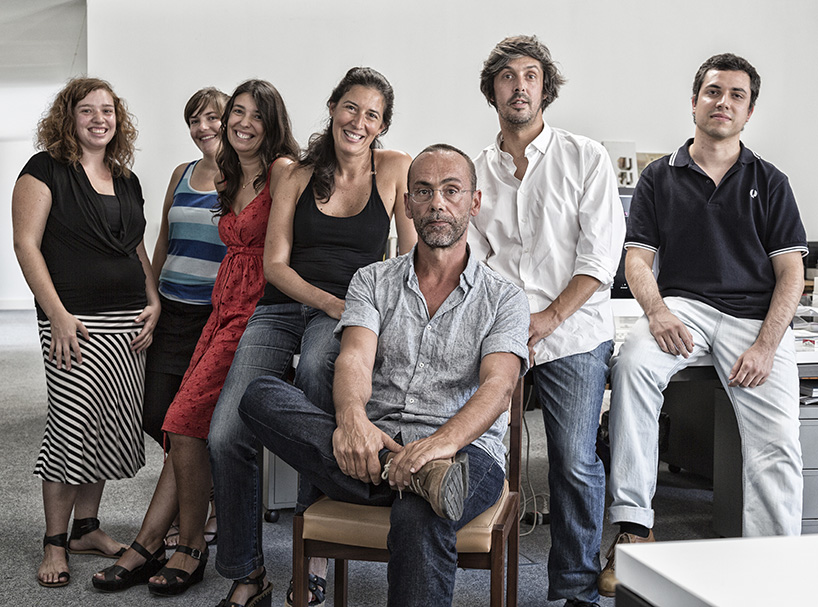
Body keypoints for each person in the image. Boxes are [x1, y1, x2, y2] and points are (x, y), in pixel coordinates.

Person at [239, 143, 530, 607]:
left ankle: (422, 477)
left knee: (421, 515)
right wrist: (352, 420)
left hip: (464, 456)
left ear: (474, 202)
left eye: (451, 190)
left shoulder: (505, 298)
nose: (437, 203)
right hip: (372, 449)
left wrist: (439, 445)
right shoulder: (372, 280)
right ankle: (410, 475)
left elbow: (499, 386)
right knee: (260, 395)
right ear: (408, 205)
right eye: (424, 191)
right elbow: (353, 358)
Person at [598, 53, 807, 597]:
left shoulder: (771, 181)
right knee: (633, 366)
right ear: (695, 102)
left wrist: (767, 345)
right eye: (714, 91)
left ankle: (772, 568)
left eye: (737, 95)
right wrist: (658, 312)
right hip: (683, 307)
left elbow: (791, 273)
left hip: (754, 317)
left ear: (749, 111)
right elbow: (637, 260)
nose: (723, 102)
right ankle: (634, 531)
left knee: (778, 444)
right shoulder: (658, 177)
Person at [208, 66, 416, 607]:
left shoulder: (395, 168)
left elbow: (410, 259)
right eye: (351, 108)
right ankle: (246, 572)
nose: (359, 121)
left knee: (317, 388)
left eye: (372, 115)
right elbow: (275, 265)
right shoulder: (294, 173)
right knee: (225, 433)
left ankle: (313, 552)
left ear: (382, 125)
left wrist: (370, 315)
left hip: (349, 313)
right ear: (332, 108)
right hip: (284, 307)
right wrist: (330, 302)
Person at [92, 79, 299, 597]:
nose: (242, 123)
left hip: (253, 312)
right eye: (238, 113)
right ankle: (151, 541)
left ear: (272, 122)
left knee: (185, 425)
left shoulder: (282, 170)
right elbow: (166, 236)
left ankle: (189, 547)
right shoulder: (230, 173)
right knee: (178, 425)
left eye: (255, 115)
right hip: (217, 309)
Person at [469, 35, 626, 607]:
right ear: (492, 91)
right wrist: (509, 323)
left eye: (530, 76)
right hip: (502, 330)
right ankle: (461, 557)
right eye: (508, 76)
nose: (520, 86)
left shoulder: (585, 157)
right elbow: (473, 260)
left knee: (574, 460)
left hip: (573, 329)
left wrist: (548, 317)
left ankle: (577, 589)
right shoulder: (475, 172)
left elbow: (599, 259)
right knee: (470, 445)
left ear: (545, 89)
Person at [12, 77, 160, 588]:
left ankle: (86, 529)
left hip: (128, 322)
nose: (100, 119)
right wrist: (55, 313)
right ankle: (54, 541)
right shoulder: (44, 170)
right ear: (68, 117)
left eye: (108, 111)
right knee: (71, 425)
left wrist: (154, 299)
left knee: (106, 425)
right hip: (72, 320)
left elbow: (135, 247)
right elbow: (26, 245)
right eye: (88, 110)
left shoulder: (126, 179)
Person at [144, 87, 229, 547]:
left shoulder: (244, 179)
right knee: (157, 412)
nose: (203, 128)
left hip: (213, 316)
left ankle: (196, 509)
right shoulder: (181, 173)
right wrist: (152, 297)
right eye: (194, 120)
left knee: (195, 420)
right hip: (171, 309)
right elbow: (164, 240)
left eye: (212, 118)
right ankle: (192, 498)